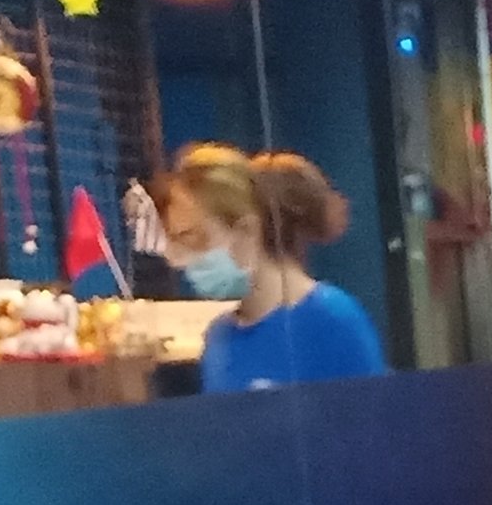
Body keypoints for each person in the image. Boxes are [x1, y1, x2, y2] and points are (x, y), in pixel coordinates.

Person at [160, 143, 387, 393]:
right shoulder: (219, 339)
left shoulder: (332, 321)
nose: (179, 260)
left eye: (193, 238)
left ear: (247, 231)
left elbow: (373, 414)